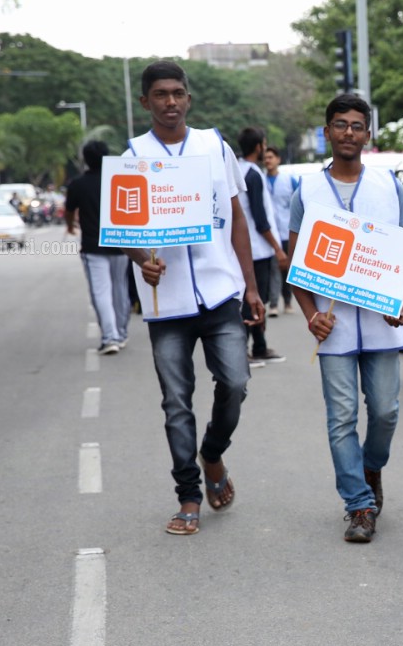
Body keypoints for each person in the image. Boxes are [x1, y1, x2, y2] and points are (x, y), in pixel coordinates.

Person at [120, 60, 264, 536]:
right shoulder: (133, 156)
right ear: (146, 102)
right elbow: (124, 230)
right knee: (176, 401)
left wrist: (252, 287)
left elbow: (238, 219)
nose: (170, 102)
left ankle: (213, 453)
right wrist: (144, 259)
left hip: (220, 290)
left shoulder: (213, 146)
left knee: (236, 381)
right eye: (160, 94)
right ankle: (188, 495)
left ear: (188, 98)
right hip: (167, 303)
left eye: (178, 93)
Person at [288, 93, 403, 544]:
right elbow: (296, 264)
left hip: (380, 325)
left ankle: (370, 467)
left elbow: (402, 253)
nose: (348, 133)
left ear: (368, 134)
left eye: (357, 126)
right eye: (340, 124)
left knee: (385, 412)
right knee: (341, 417)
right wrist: (310, 315)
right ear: (327, 132)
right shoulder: (308, 190)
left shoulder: (387, 186)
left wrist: (400, 301)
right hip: (333, 329)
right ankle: (359, 504)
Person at [66, 141, 130, 355]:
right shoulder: (119, 180)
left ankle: (110, 337)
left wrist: (69, 226)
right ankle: (121, 334)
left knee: (101, 293)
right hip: (122, 245)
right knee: (120, 289)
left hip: (93, 247)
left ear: (85, 159)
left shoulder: (78, 184)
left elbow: (69, 210)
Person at [236, 127, 288, 366]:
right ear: (259, 147)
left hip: (246, 247)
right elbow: (260, 219)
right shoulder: (253, 174)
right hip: (256, 248)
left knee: (255, 299)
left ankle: (259, 346)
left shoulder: (238, 169)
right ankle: (244, 349)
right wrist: (277, 248)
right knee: (253, 299)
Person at [263, 145, 297, 315]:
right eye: (265, 158)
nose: (268, 160)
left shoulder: (289, 180)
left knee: (287, 268)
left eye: (271, 157)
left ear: (278, 160)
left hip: (287, 230)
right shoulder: (260, 180)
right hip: (270, 233)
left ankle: (288, 301)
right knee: (275, 269)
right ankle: (274, 304)